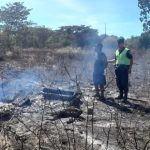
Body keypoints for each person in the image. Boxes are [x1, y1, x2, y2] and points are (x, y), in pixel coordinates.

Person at [108, 37, 133, 103]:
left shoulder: (127, 51)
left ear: (123, 43)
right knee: (119, 83)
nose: (120, 44)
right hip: (118, 70)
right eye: (119, 43)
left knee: (124, 83)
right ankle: (121, 95)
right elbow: (115, 60)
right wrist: (108, 61)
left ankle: (125, 97)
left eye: (121, 43)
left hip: (124, 70)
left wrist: (130, 68)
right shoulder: (116, 51)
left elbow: (131, 59)